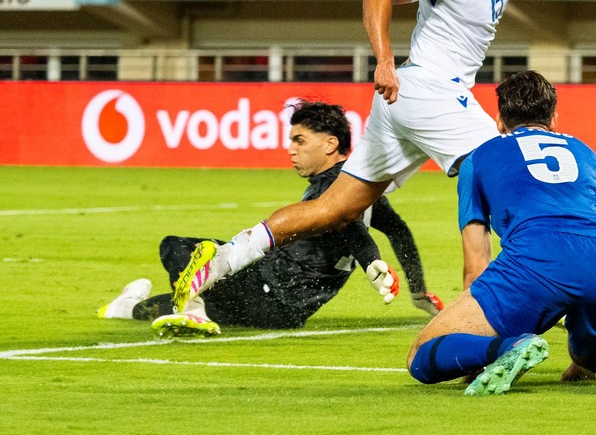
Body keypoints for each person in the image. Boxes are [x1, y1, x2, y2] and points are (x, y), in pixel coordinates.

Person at [169, 0, 596, 316]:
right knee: (506, 169)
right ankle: (495, 308)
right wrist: (384, 60)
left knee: (334, 209)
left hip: (409, 100)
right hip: (426, 88)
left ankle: (216, 262)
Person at [406, 71, 596, 395]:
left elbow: (477, 262)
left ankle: (509, 348)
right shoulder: (589, 154)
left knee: (420, 355)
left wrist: (479, 351)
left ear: (499, 120)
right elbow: (593, 227)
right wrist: (584, 359)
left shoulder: (478, 159)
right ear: (554, 119)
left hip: (535, 261)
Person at [97, 102, 443, 336]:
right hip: (285, 314)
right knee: (160, 304)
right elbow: (399, 232)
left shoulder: (334, 189)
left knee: (176, 246)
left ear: (330, 144)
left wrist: (371, 259)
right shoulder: (363, 190)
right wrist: (416, 290)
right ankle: (128, 305)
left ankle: (193, 308)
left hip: (265, 288)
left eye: (300, 140)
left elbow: (346, 225)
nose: (290, 149)